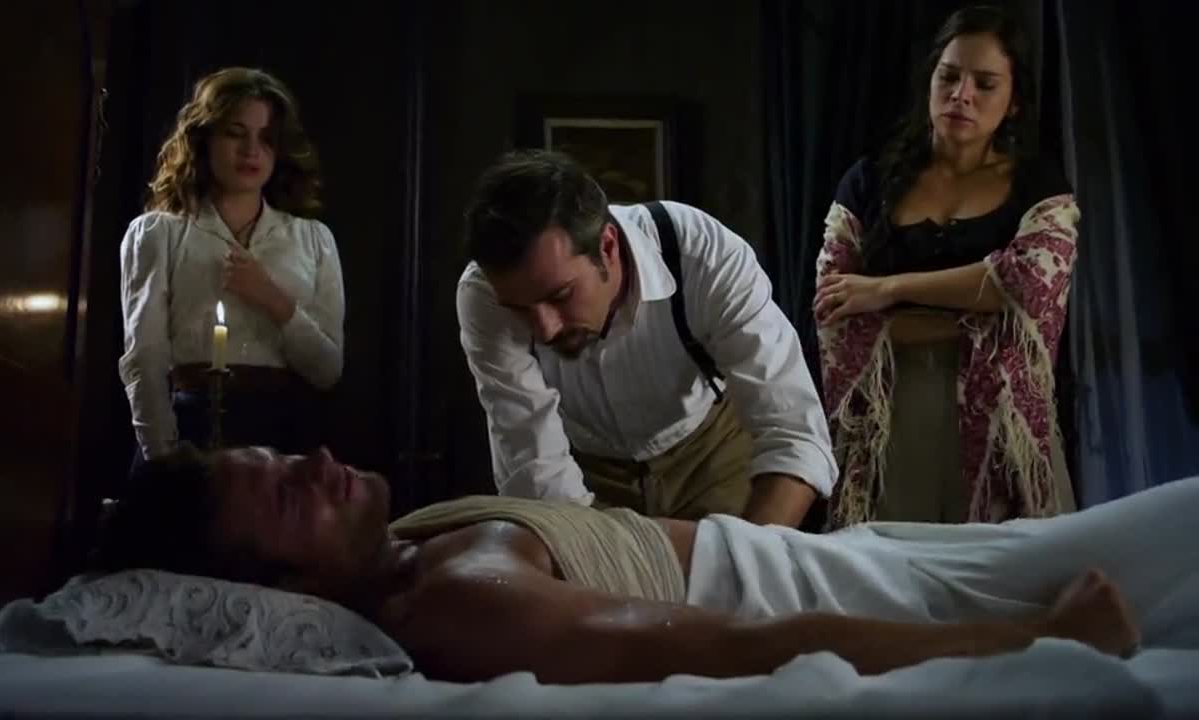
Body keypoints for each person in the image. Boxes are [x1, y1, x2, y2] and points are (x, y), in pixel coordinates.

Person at [93, 444, 1199, 685]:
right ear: (282, 590)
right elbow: (741, 646)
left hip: (845, 553)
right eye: (289, 495)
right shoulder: (456, 601)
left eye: (284, 454)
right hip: (862, 594)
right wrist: (1037, 644)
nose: (317, 462)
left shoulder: (418, 534)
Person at [456, 150, 836, 527]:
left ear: (607, 247)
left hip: (710, 452)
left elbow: (794, 433)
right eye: (520, 310)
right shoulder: (484, 295)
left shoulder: (701, 255)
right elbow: (535, 467)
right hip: (585, 467)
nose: (545, 330)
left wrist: (750, 556)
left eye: (560, 296)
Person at [813, 6, 1079, 527]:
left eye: (985, 84)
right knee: (894, 561)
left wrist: (887, 289)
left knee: (1006, 564)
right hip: (891, 416)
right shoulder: (868, 181)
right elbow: (834, 305)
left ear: (1014, 101)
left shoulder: (1037, 184)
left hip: (1002, 423)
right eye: (949, 77)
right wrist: (981, 308)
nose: (962, 95)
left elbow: (1028, 288)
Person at [118, 67, 345, 469]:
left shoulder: (313, 239)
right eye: (235, 133)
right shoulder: (158, 233)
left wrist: (273, 300)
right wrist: (164, 459)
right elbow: (144, 360)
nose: (250, 151)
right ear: (205, 137)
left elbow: (327, 369)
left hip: (280, 439)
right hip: (188, 429)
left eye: (265, 138)